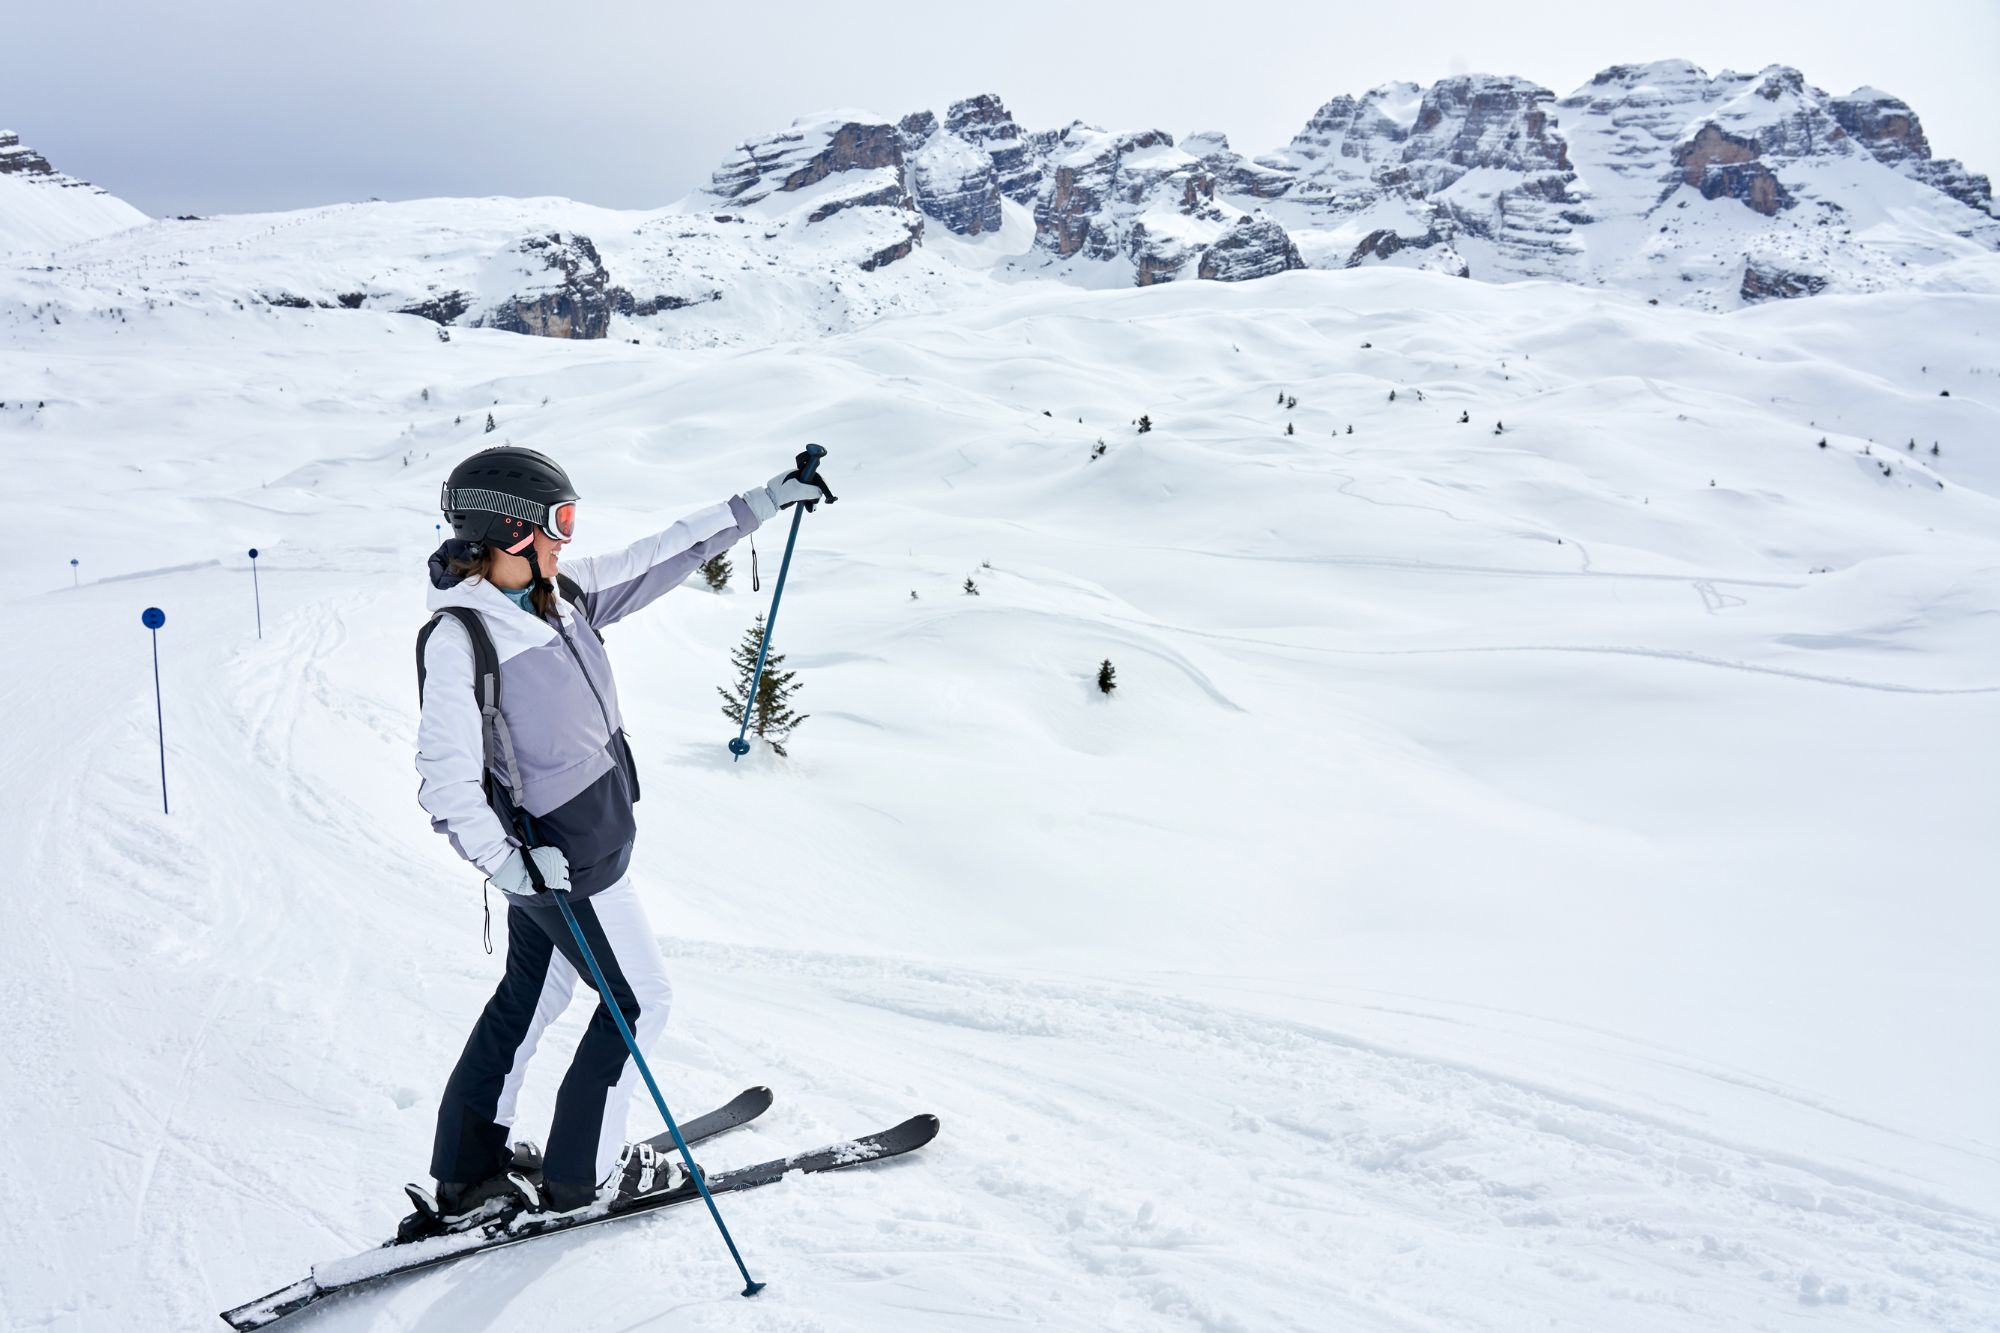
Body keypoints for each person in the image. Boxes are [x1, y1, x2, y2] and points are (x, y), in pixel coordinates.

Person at [415, 444, 829, 1222]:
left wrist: (763, 502)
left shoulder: (562, 596)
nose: (567, 539)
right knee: (639, 1001)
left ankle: (468, 1170)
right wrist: (509, 865)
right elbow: (445, 782)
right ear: (511, 532)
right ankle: (586, 1172)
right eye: (558, 522)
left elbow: (663, 553)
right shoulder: (463, 640)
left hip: (570, 853)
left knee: (532, 995)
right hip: (563, 865)